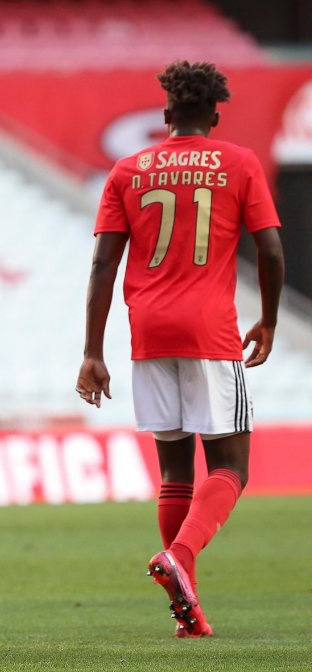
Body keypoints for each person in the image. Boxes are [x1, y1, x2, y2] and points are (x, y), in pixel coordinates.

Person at [76, 61, 284, 638]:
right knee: (231, 468)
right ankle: (180, 558)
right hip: (210, 331)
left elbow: (102, 263)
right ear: (214, 117)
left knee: (174, 471)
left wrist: (92, 351)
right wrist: (267, 319)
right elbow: (269, 250)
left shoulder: (127, 169)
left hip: (149, 333)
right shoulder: (238, 162)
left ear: (165, 116)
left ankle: (188, 613)